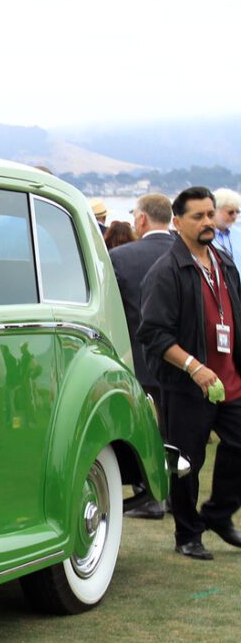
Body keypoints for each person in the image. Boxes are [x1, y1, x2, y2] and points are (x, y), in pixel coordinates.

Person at [137, 186, 241, 560]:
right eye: (198, 216)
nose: (208, 222)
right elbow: (153, 334)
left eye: (211, 214)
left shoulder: (225, 264)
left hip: (229, 381)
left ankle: (217, 514)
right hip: (186, 385)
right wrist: (195, 367)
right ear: (178, 223)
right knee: (187, 463)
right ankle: (187, 533)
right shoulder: (166, 271)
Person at [111, 193, 174, 519]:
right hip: (187, 360)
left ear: (143, 219)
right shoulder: (192, 253)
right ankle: (178, 497)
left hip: (142, 356)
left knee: (151, 430)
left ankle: (152, 497)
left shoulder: (121, 257)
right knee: (182, 431)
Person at [214, 188, 239, 259]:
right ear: (215, 211)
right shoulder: (203, 237)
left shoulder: (239, 234)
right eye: (230, 212)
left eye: (237, 212)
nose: (235, 216)